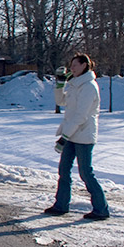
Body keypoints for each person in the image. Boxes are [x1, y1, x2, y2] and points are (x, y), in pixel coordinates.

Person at [44, 53, 110, 221]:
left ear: (84, 66)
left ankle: (101, 209)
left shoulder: (89, 86)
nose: (71, 68)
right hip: (71, 135)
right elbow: (62, 102)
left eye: (75, 65)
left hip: (83, 136)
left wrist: (64, 137)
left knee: (85, 173)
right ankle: (61, 205)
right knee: (64, 170)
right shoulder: (75, 84)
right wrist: (60, 84)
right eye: (71, 65)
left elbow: (81, 116)